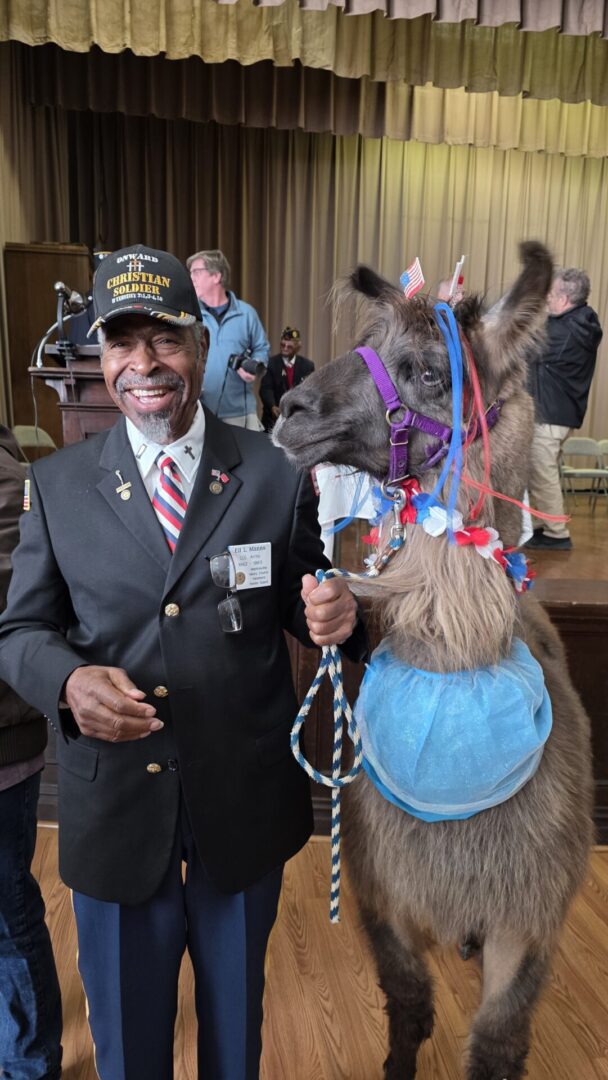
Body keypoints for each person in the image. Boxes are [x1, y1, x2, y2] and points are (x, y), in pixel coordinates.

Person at [0, 244, 365, 1080]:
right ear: (98, 354)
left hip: (242, 808)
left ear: (199, 341)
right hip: (117, 812)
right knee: (129, 1049)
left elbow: (314, 605)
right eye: (120, 343)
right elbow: (17, 633)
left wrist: (342, 616)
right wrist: (65, 681)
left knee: (235, 1042)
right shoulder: (57, 486)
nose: (143, 365)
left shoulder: (274, 472)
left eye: (162, 338)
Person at [0, 426, 62, 1079]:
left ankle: (29, 1063)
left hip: (3, 742)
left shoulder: (12, 485)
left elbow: (17, 616)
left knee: (7, 912)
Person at [526, 267, 603, 550]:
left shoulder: (566, 329)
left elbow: (524, 346)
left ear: (566, 297)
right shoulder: (578, 322)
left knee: (542, 471)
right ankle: (547, 524)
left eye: (551, 292)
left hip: (551, 415)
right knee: (541, 471)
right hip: (557, 413)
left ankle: (556, 533)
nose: (546, 297)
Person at [187, 249, 269, 429]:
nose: (191, 277)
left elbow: (262, 348)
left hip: (240, 413)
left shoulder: (247, 314)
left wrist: (255, 366)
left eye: (196, 272)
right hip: (198, 411)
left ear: (216, 276)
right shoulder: (191, 315)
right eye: (190, 272)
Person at [260, 326, 315, 432]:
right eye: (282, 345)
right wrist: (272, 406)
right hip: (272, 421)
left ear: (298, 347)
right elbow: (266, 389)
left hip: (297, 423)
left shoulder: (307, 366)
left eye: (289, 347)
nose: (285, 348)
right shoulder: (271, 363)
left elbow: (309, 392)